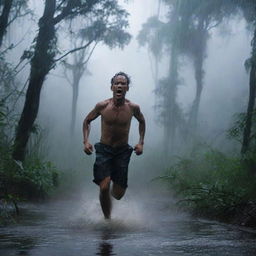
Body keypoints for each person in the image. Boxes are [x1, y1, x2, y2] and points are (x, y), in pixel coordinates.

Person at [83, 72, 146, 219]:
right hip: (104, 149)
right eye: (116, 83)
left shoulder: (133, 108)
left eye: (123, 84)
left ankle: (108, 199)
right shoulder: (102, 106)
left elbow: (142, 121)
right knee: (104, 186)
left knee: (118, 194)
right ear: (112, 87)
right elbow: (87, 120)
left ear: (127, 88)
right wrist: (85, 141)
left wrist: (141, 142)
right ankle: (107, 220)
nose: (119, 85)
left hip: (122, 151)